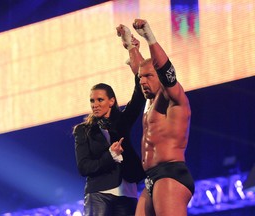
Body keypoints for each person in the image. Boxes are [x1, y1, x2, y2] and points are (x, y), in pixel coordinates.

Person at [123, 19, 194, 216]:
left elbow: (165, 72)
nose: (142, 81)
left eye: (148, 77)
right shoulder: (151, 100)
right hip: (152, 178)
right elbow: (142, 68)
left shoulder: (173, 98)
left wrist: (149, 37)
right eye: (140, 78)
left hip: (171, 174)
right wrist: (130, 46)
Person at [73, 27, 146, 216]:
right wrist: (110, 155)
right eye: (92, 101)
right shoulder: (84, 130)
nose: (95, 105)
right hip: (99, 194)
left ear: (111, 101)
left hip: (128, 192)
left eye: (100, 100)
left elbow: (139, 96)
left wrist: (132, 49)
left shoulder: (122, 121)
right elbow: (84, 167)